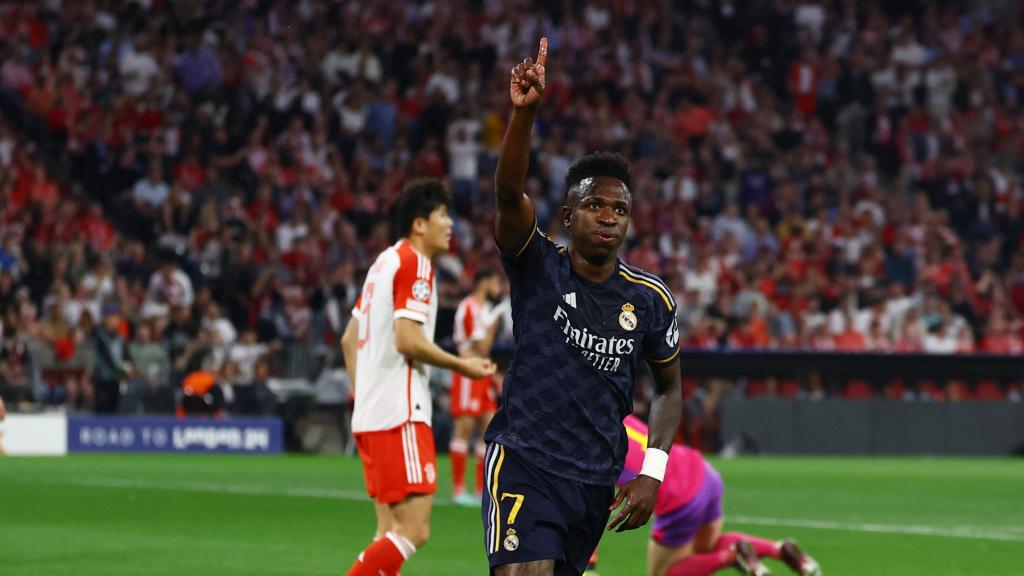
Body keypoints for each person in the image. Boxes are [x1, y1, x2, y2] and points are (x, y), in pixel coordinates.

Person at [483, 38, 683, 576]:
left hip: (594, 479)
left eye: (620, 208)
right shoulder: (538, 264)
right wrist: (524, 117)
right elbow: (507, 195)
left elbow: (668, 388)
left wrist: (652, 472)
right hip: (526, 459)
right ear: (568, 214)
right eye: (594, 204)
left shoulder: (650, 299)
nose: (609, 216)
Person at [340, 178, 496, 576]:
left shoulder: (383, 263)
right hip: (402, 413)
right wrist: (463, 365)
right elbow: (407, 339)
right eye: (443, 215)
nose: (451, 224)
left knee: (388, 532)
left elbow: (348, 340)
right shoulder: (416, 264)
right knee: (414, 530)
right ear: (419, 224)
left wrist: (367, 395)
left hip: (371, 415)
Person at [585, 415, 822, 576]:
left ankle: (732, 556)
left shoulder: (590, 443)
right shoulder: (617, 412)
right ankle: (779, 549)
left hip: (680, 497)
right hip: (703, 472)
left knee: (665, 572)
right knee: (705, 548)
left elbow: (588, 509)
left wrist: (590, 566)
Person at [449, 268, 507, 505]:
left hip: (481, 374)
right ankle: (458, 489)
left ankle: (479, 489)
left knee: (487, 431)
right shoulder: (470, 308)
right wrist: (494, 319)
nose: (499, 287)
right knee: (464, 428)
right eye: (495, 281)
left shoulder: (483, 309)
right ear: (484, 282)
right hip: (467, 373)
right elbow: (481, 347)